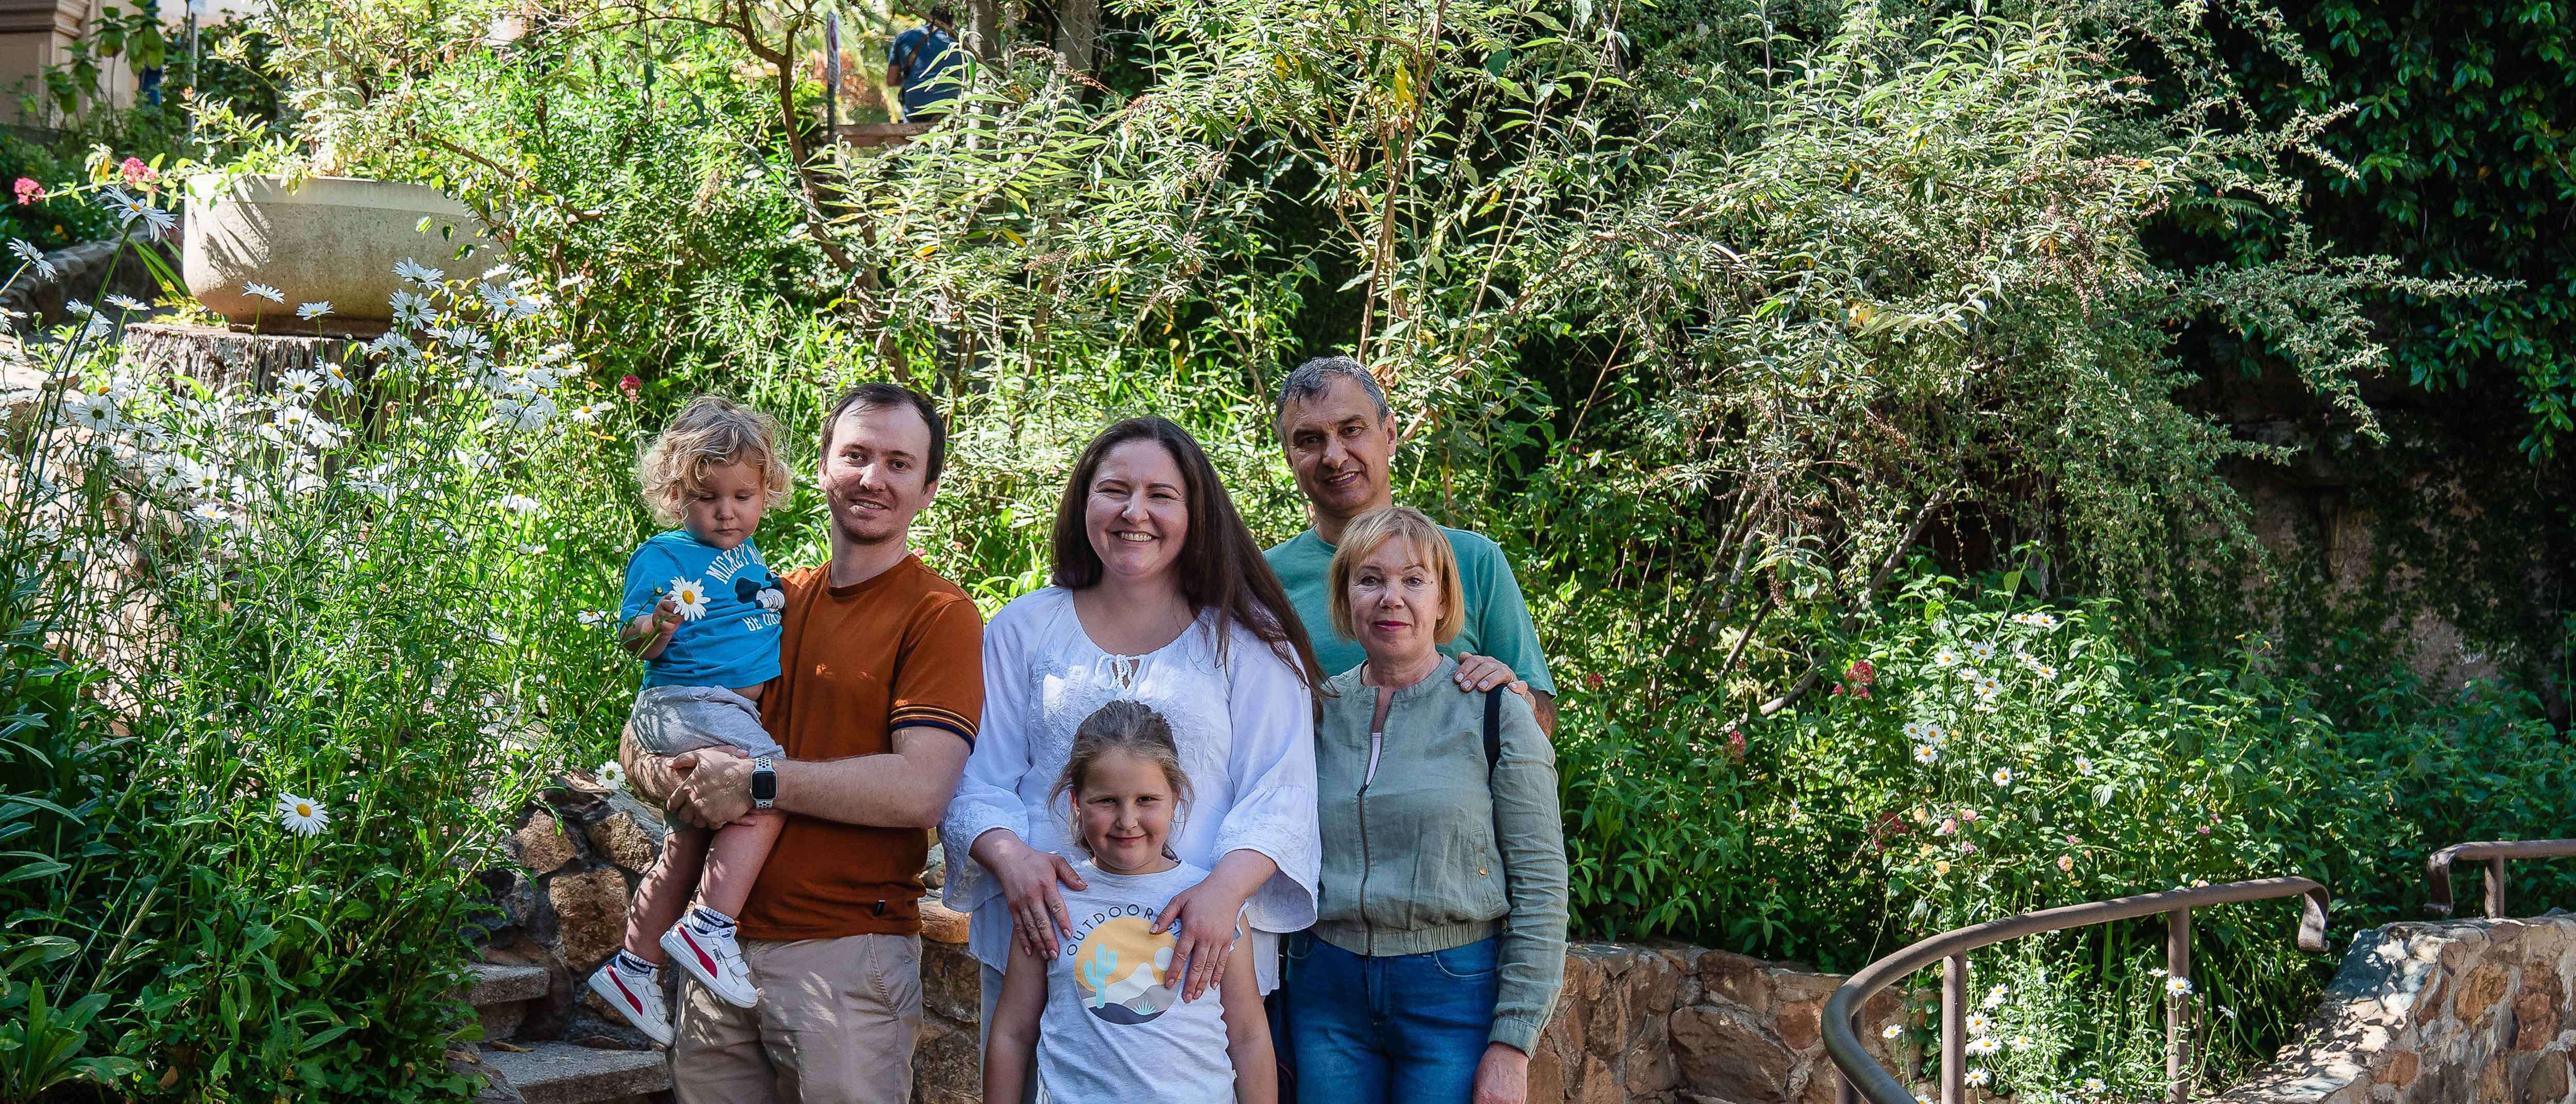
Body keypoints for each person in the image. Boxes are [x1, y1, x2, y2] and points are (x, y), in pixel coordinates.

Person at [620, 383, 985, 1104]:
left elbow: (921, 789)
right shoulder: (761, 598)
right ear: (821, 468)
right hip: (716, 956)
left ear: (929, 487)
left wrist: (755, 782)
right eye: (855, 455)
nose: (872, 477)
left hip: (844, 961)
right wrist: (673, 776)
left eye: (898, 463)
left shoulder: (939, 614)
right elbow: (641, 728)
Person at [942, 416, 1321, 1102]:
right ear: (1083, 501)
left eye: (1160, 494)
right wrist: (1011, 858)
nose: (1134, 511)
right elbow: (977, 778)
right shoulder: (1022, 628)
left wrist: (1221, 894)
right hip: (1045, 938)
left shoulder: (1249, 642)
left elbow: (1283, 794)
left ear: (1195, 511)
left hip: (1195, 950)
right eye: (1114, 489)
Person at [1284, 505, 1568, 1104]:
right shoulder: (1310, 714)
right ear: (1344, 598)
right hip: (1325, 990)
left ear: (1442, 602)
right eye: (1370, 579)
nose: (1392, 597)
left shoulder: (1496, 711)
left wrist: (1513, 1043)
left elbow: (1542, 884)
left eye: (1414, 580)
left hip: (1451, 988)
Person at [587, 396, 795, 1044]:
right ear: (677, 494)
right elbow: (632, 639)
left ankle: (631, 965)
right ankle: (709, 926)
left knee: (690, 835)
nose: (727, 511)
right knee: (772, 786)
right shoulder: (664, 554)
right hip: (688, 702)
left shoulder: (748, 548)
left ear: (766, 493)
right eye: (708, 498)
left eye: (743, 495)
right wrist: (658, 625)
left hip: (718, 708)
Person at [981, 701, 1277, 1104]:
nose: (1127, 820)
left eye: (1146, 800)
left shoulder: (1215, 902)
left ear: (1175, 796)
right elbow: (1012, 1033)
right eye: (1106, 801)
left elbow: (1248, 1036)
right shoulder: (1049, 898)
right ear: (1076, 800)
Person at [1262, 355, 1560, 735]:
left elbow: (1544, 719)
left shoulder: (1472, 560)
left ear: (1389, 434)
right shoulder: (1261, 580)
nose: (1334, 457)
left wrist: (1518, 700)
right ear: (1289, 456)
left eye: (1351, 430)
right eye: (1310, 440)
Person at [886, 5, 964, 121]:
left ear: (928, 18)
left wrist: (914, 81)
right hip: (950, 109)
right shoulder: (960, 45)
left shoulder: (905, 38)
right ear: (952, 23)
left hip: (915, 108)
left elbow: (891, 80)